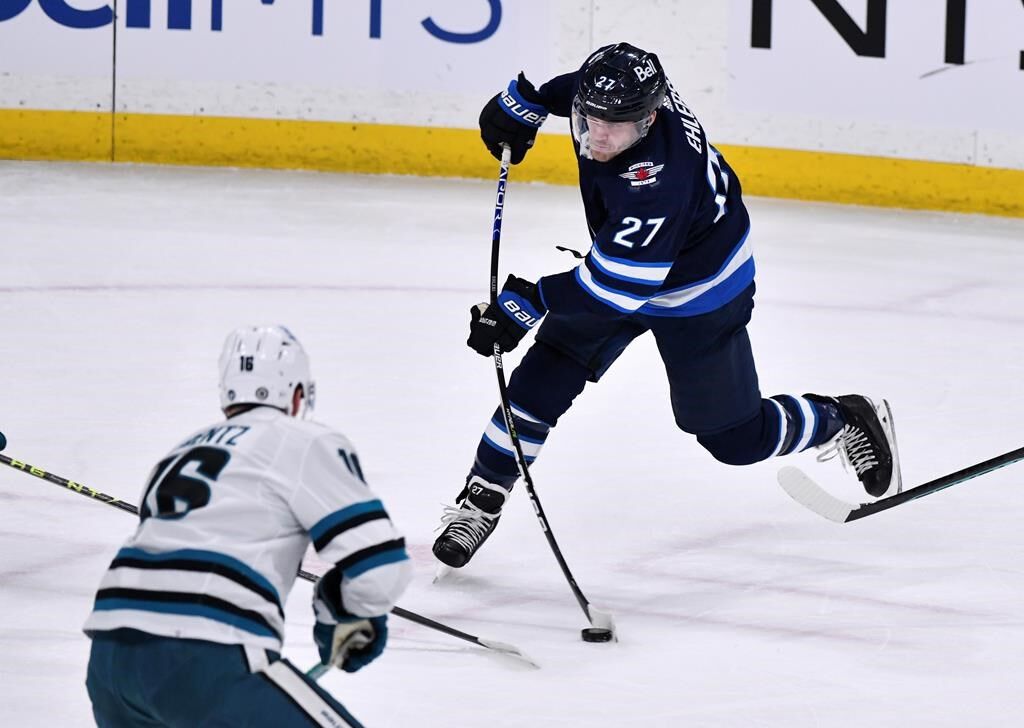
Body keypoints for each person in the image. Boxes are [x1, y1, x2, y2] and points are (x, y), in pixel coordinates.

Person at [433, 42, 901, 569]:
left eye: (619, 125)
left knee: (735, 439)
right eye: (589, 119)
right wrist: (526, 102)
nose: (599, 136)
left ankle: (840, 417)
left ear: (652, 116)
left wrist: (529, 302)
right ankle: (483, 496)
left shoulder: (657, 181)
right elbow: (583, 89)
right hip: (629, 263)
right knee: (544, 374)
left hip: (700, 294)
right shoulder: (618, 100)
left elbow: (616, 290)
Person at [83, 325, 412, 727]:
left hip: (110, 662)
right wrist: (342, 612)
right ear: (296, 393)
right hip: (203, 656)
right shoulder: (303, 440)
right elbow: (380, 572)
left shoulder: (179, 450)